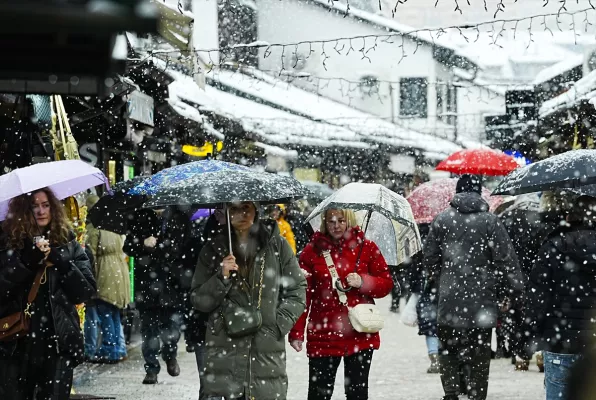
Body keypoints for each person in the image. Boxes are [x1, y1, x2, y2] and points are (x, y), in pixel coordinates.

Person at [191, 201, 306, 400]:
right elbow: (199, 300)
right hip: (225, 344)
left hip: (265, 346)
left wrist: (278, 323)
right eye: (234, 209)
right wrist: (222, 276)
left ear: (256, 210)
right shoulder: (212, 249)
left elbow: (297, 288)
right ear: (226, 212)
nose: (241, 214)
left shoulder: (277, 245)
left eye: (246, 208)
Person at [424, 175, 524, 400]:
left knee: (449, 349)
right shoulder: (491, 221)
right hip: (482, 302)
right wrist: (512, 290)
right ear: (480, 193)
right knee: (479, 353)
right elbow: (506, 260)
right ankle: (476, 394)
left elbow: (429, 259)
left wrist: (443, 280)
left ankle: (451, 392)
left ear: (457, 192)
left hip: (449, 300)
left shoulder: (441, 220)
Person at [0, 188, 96, 400]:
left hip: (58, 344)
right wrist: (26, 262)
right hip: (17, 345)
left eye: (46, 205)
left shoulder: (67, 242)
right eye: (34, 206)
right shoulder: (8, 242)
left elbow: (86, 291)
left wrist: (60, 261)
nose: (41, 211)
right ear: (24, 210)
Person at [289, 208, 393, 400]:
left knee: (357, 394)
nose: (336, 225)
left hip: (359, 331)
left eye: (341, 220)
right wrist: (296, 332)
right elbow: (303, 296)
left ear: (349, 220)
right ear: (324, 223)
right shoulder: (312, 252)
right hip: (323, 333)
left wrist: (363, 282)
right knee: (319, 394)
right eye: (331, 221)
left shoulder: (367, 248)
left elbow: (386, 285)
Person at [521, 195, 596, 400]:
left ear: (569, 215)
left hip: (560, 340)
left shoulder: (554, 245)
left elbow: (537, 295)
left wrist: (528, 335)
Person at [123, 208, 186, 384]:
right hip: (147, 287)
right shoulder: (139, 217)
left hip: (171, 285)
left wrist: (162, 246)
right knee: (149, 331)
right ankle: (151, 368)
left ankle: (170, 355)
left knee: (172, 329)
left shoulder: (177, 217)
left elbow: (182, 248)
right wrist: (143, 243)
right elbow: (128, 246)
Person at [85, 194, 131, 363]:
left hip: (105, 273)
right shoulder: (115, 225)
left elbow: (91, 256)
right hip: (120, 271)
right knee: (113, 313)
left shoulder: (95, 228)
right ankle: (119, 348)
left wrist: (89, 280)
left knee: (105, 311)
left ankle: (110, 349)